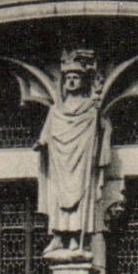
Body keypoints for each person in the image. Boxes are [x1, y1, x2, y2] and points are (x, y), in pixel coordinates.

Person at [36, 48, 110, 256]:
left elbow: (100, 130)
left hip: (81, 159)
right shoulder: (56, 111)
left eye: (76, 77)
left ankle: (77, 239)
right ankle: (58, 237)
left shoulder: (90, 109)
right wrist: (42, 143)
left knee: (80, 195)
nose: (71, 81)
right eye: (68, 77)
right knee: (58, 195)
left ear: (83, 81)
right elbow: (47, 133)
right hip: (60, 160)